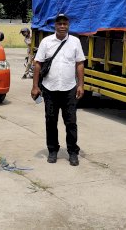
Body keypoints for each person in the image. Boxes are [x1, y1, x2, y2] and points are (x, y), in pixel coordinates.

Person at [31, 13, 86, 166]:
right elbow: (38, 64)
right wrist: (35, 86)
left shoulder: (75, 42)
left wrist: (81, 84)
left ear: (68, 25)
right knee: (50, 121)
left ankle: (73, 152)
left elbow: (79, 64)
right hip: (50, 89)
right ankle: (53, 150)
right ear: (54, 25)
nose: (62, 26)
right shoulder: (46, 42)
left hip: (69, 89)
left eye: (65, 24)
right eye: (59, 23)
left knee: (71, 123)